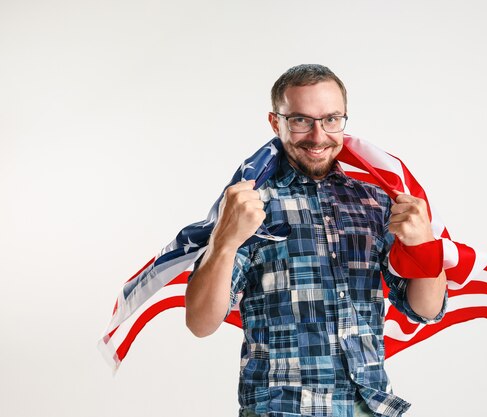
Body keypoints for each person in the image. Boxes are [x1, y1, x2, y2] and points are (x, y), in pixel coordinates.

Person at [185, 64, 448, 417]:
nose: (318, 135)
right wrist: (225, 242)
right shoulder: (250, 203)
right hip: (282, 409)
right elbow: (201, 323)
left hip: (368, 406)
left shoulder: (375, 200)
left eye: (331, 119)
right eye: (300, 120)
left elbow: (425, 310)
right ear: (274, 122)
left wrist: (424, 244)